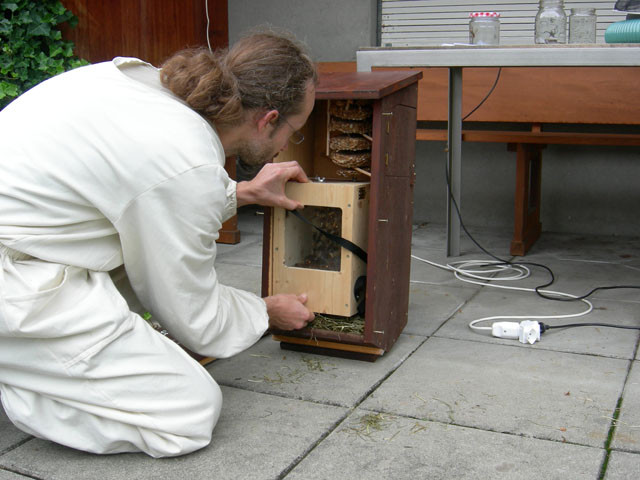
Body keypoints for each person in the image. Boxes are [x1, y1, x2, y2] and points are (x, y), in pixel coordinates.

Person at [0, 30, 317, 457]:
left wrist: (239, 193)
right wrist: (263, 311)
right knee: (187, 414)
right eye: (293, 132)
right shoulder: (184, 159)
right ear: (267, 120)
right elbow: (193, 315)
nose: (284, 147)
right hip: (15, 279)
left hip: (23, 240)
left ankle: (40, 360)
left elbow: (134, 186)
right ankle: (26, 378)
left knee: (129, 265)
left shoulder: (141, 82)